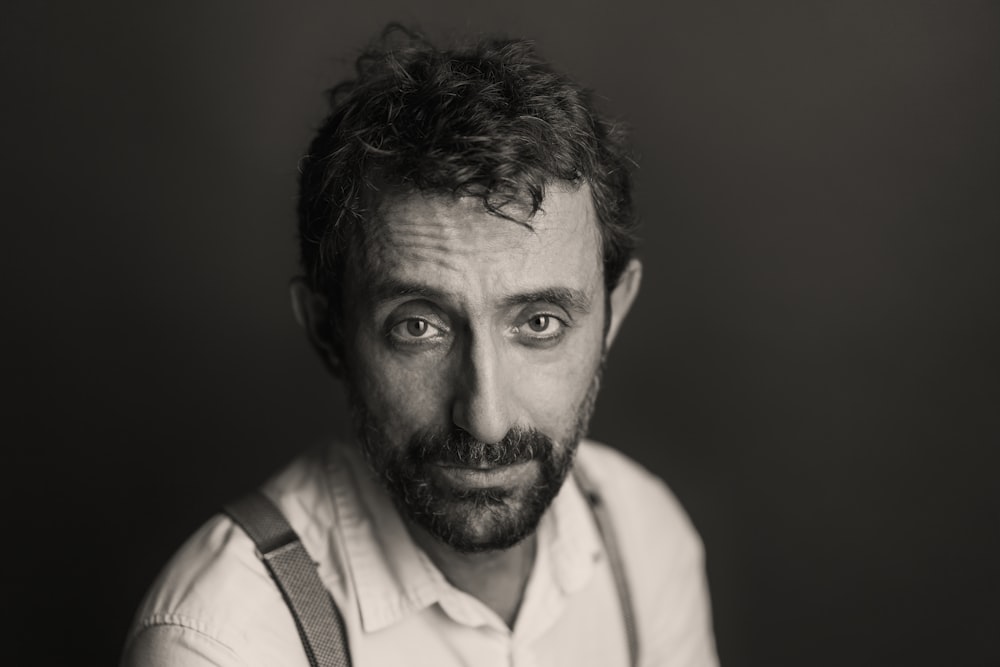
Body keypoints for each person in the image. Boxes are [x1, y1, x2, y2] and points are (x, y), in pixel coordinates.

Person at [122, 26, 719, 667]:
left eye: (539, 323)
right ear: (329, 331)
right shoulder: (221, 644)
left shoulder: (645, 537)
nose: (485, 418)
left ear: (614, 313)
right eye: (419, 327)